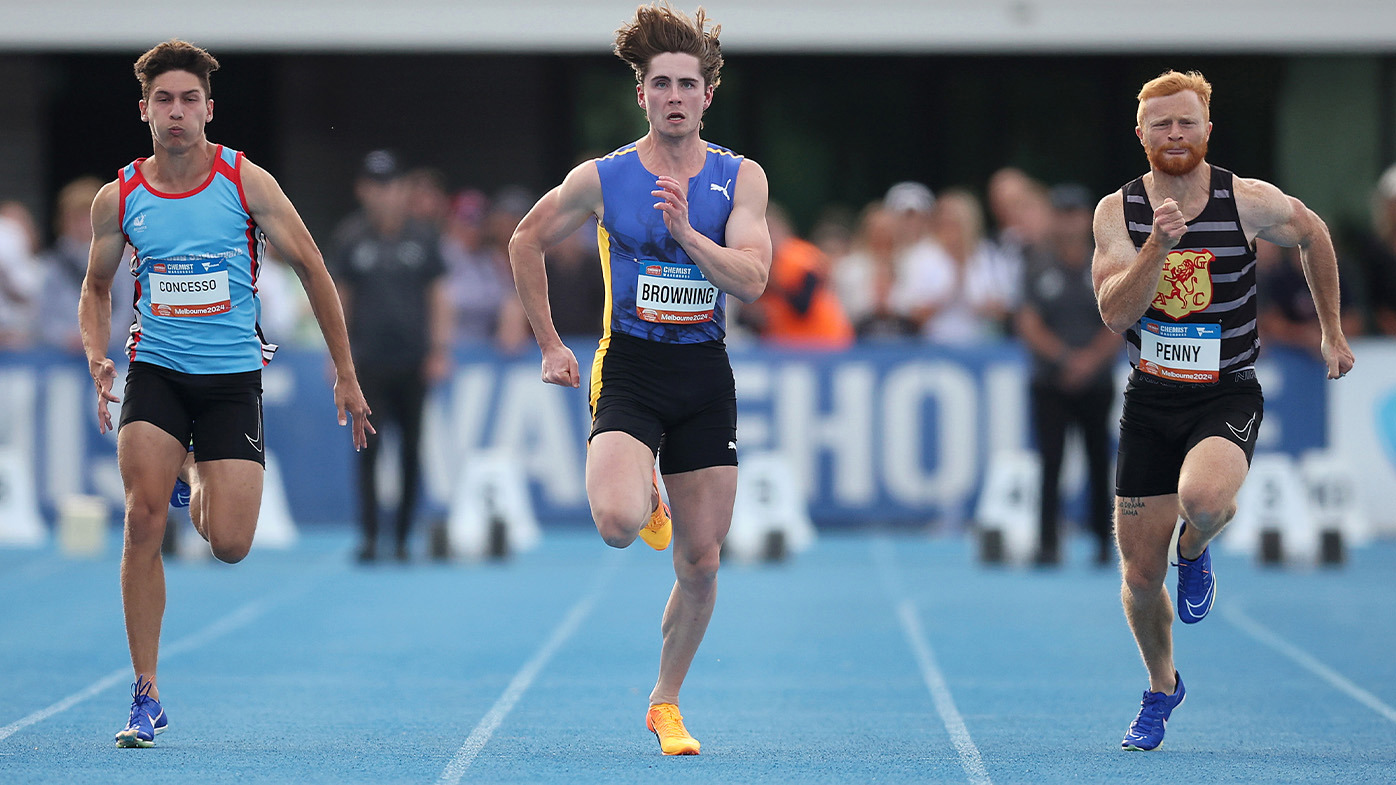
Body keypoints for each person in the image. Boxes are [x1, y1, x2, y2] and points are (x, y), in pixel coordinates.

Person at [78, 39, 373, 748]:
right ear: (144, 110)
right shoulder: (118, 198)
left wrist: (345, 370)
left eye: (188, 101)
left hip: (232, 380)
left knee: (232, 542)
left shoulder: (247, 183)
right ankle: (145, 692)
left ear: (208, 109)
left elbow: (312, 267)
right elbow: (93, 288)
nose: (176, 113)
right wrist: (96, 356)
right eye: (163, 101)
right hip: (155, 374)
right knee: (142, 518)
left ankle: (190, 471)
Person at [507, 3, 770, 756]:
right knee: (619, 523)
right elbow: (525, 240)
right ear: (644, 95)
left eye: (689, 84)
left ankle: (666, 700)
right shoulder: (604, 177)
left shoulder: (738, 178)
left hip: (703, 373)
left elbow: (753, 279)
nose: (676, 96)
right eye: (663, 84)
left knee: (702, 559)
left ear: (707, 95)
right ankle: (643, 486)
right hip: (629, 367)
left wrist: (690, 235)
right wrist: (551, 343)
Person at [1091, 70, 1355, 752]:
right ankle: (1161, 685)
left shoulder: (1249, 201)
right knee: (1140, 579)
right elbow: (1115, 311)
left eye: (1185, 123)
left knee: (1203, 500)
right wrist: (1158, 245)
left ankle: (1197, 545)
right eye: (1161, 124)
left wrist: (1331, 329)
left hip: (1225, 387)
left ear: (1207, 129)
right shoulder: (1117, 212)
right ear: (1141, 133)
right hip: (1151, 395)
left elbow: (1314, 233)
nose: (1174, 134)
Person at [330, 149, 451, 563]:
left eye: (391, 185)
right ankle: (368, 536)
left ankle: (401, 538)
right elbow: (339, 299)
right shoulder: (350, 237)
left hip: (413, 361)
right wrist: (339, 356)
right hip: (366, 365)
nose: (385, 194)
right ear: (363, 190)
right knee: (368, 451)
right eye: (376, 186)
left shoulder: (423, 237)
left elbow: (437, 296)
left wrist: (438, 349)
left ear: (402, 190)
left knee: (412, 450)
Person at [1016, 184, 1119, 566]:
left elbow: (1120, 317)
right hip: (1050, 381)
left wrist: (1090, 360)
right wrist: (1064, 359)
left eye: (1076, 214)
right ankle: (1047, 542)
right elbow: (1027, 322)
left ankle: (1103, 542)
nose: (1069, 222)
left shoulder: (1106, 263)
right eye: (1062, 214)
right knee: (1051, 462)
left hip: (1095, 381)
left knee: (1097, 460)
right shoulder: (1037, 264)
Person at [37, 177, 136, 353]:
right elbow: (43, 315)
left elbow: (128, 310)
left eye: (88, 218)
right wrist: (67, 337)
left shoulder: (121, 262)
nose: (83, 226)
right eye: (76, 218)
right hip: (64, 355)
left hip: (112, 352)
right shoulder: (52, 265)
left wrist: (100, 338)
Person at [743, 202, 853, 350]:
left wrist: (772, 283)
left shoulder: (801, 257)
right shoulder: (755, 263)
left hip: (823, 340)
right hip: (784, 343)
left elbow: (803, 305)